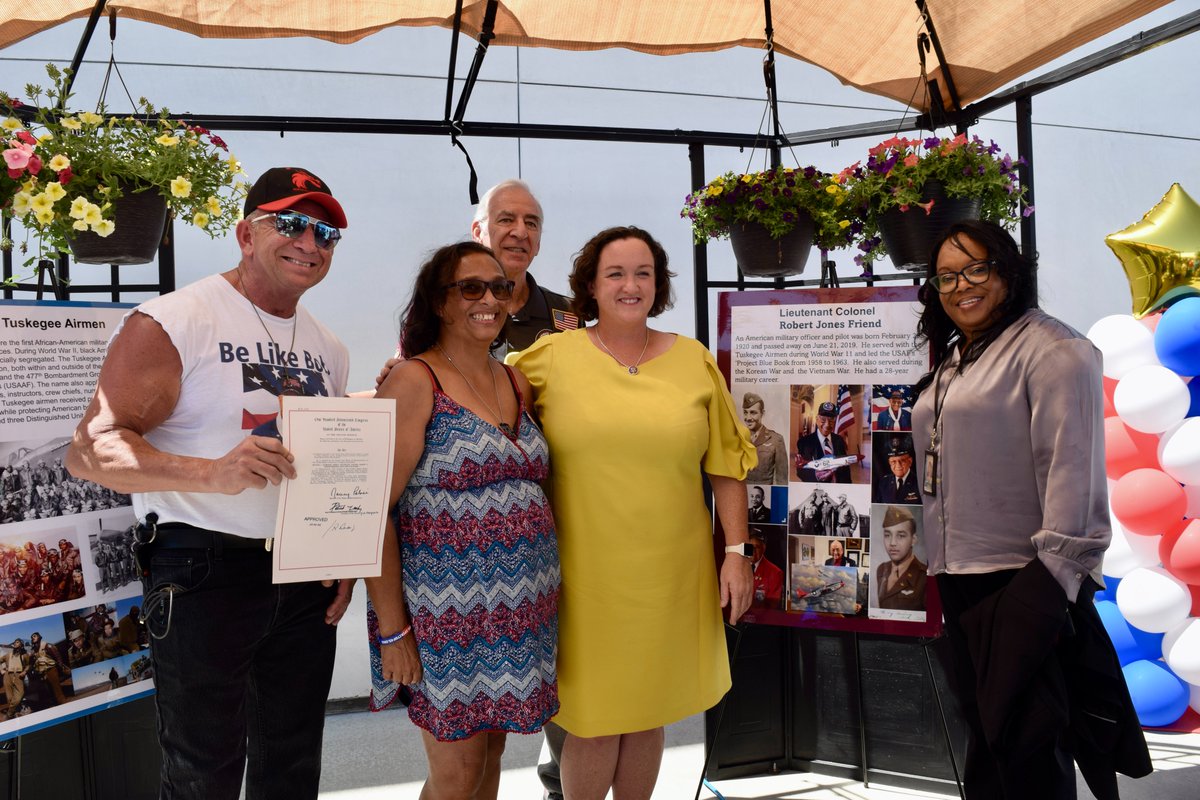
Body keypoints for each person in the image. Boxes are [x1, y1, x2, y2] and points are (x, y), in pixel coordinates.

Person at [65, 166, 354, 800]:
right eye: (293, 224)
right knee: (204, 774)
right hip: (204, 568)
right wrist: (209, 473)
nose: (311, 242)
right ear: (246, 234)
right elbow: (89, 449)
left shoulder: (328, 346)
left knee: (293, 765)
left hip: (302, 577)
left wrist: (342, 554)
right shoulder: (175, 320)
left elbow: (325, 466)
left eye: (326, 232)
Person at [511, 225, 755, 800]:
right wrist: (402, 381)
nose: (630, 285)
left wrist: (737, 554)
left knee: (649, 714)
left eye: (643, 273)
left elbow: (726, 465)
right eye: (615, 273)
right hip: (585, 578)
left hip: (673, 574)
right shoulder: (548, 358)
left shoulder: (693, 359)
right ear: (590, 287)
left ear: (658, 284)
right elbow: (469, 393)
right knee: (592, 722)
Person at [911, 220, 1149, 798]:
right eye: (946, 276)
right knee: (990, 743)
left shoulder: (1054, 351)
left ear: (1008, 270)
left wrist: (1049, 584)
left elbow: (1071, 469)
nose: (961, 285)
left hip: (1025, 580)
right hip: (958, 576)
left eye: (976, 268)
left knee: (1029, 745)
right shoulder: (957, 356)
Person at [365, 242, 560, 798]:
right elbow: (374, 509)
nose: (490, 299)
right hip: (445, 615)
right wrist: (393, 628)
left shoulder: (515, 381)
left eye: (500, 288)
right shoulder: (413, 380)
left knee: (493, 753)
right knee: (456, 773)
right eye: (471, 287)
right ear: (440, 302)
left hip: (521, 611)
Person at [471, 180, 582, 356]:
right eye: (506, 220)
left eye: (531, 223)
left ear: (538, 244)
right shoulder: (453, 307)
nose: (521, 233)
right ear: (478, 233)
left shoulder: (568, 314)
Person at [874, 506, 926, 610]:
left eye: (901, 536)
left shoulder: (924, 576)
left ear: (913, 539)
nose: (892, 543)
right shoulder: (882, 569)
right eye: (887, 535)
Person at [795, 402, 853, 482]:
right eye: (823, 420)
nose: (827, 424)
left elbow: (845, 469)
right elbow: (801, 470)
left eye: (831, 420)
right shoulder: (805, 442)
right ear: (817, 419)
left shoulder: (839, 440)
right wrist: (815, 475)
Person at [742, 392, 789, 484]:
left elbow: (782, 480)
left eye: (753, 413)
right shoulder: (738, 438)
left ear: (762, 413)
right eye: (745, 412)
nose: (748, 418)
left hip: (765, 494)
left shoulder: (776, 440)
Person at [876, 437, 921, 504]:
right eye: (893, 461)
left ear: (910, 461)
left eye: (902, 461)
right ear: (889, 463)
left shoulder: (919, 482)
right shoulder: (884, 483)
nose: (898, 465)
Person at [28, 631, 68, 707]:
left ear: (39, 637)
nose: (33, 638)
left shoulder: (47, 645)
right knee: (49, 689)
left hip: (51, 670)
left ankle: (63, 702)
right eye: (32, 637)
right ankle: (56, 703)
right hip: (43, 673)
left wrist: (60, 666)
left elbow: (57, 656)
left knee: (57, 688)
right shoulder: (35, 650)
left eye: (34, 636)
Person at [750, 530, 783, 607]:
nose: (753, 551)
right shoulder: (738, 568)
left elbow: (773, 605)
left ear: (763, 548)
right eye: (750, 546)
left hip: (761, 616)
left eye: (757, 547)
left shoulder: (775, 573)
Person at [2, 639, 28, 719]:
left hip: (18, 675)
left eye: (17, 642)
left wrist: (25, 671)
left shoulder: (25, 655)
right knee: (9, 697)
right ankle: (15, 713)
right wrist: (1, 670)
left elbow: (28, 665)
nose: (15, 643)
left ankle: (9, 714)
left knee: (19, 695)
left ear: (21, 645)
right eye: (14, 642)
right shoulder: (8, 655)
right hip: (7, 675)